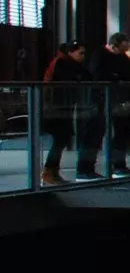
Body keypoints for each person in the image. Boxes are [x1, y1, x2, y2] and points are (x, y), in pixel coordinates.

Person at [39, 41, 92, 185]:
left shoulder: (74, 66)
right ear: (71, 52)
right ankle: (49, 171)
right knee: (60, 139)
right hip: (55, 109)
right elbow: (68, 80)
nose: (83, 56)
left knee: (62, 139)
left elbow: (88, 77)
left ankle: (52, 171)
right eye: (80, 53)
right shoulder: (61, 63)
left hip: (64, 108)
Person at [89, 32, 130, 177]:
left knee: (122, 132)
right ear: (114, 46)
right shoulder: (99, 56)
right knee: (97, 133)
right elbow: (97, 75)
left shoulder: (121, 58)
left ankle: (119, 165)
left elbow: (129, 74)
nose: (122, 53)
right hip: (102, 99)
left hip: (118, 100)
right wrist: (116, 78)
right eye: (121, 49)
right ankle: (88, 168)